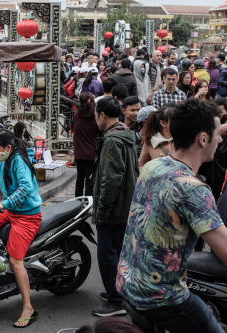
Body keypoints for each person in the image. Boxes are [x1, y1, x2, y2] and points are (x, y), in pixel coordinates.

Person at [117, 98, 227, 333]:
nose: (220, 139)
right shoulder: (194, 189)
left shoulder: (153, 166)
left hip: (127, 283)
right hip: (162, 298)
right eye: (217, 134)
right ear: (203, 139)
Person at [0, 129, 42, 328]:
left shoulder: (19, 161)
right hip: (11, 211)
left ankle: (28, 308)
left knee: (15, 260)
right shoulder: (5, 161)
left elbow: (26, 188)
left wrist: (4, 203)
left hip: (27, 217)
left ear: (8, 147)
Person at [92, 96, 137, 317]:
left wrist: (102, 211)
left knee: (107, 255)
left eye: (95, 115)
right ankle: (117, 290)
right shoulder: (125, 134)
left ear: (101, 115)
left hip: (114, 209)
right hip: (124, 206)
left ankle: (115, 301)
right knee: (118, 254)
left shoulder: (112, 140)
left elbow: (110, 180)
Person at [73, 92, 98, 196]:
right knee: (90, 179)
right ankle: (88, 202)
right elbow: (98, 132)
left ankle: (77, 200)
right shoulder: (95, 118)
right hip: (91, 153)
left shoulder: (76, 115)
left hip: (79, 152)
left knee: (80, 177)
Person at [138, 104, 175, 171]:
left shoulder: (183, 140)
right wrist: (149, 178)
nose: (178, 123)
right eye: (174, 120)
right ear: (163, 123)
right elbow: (141, 164)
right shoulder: (150, 141)